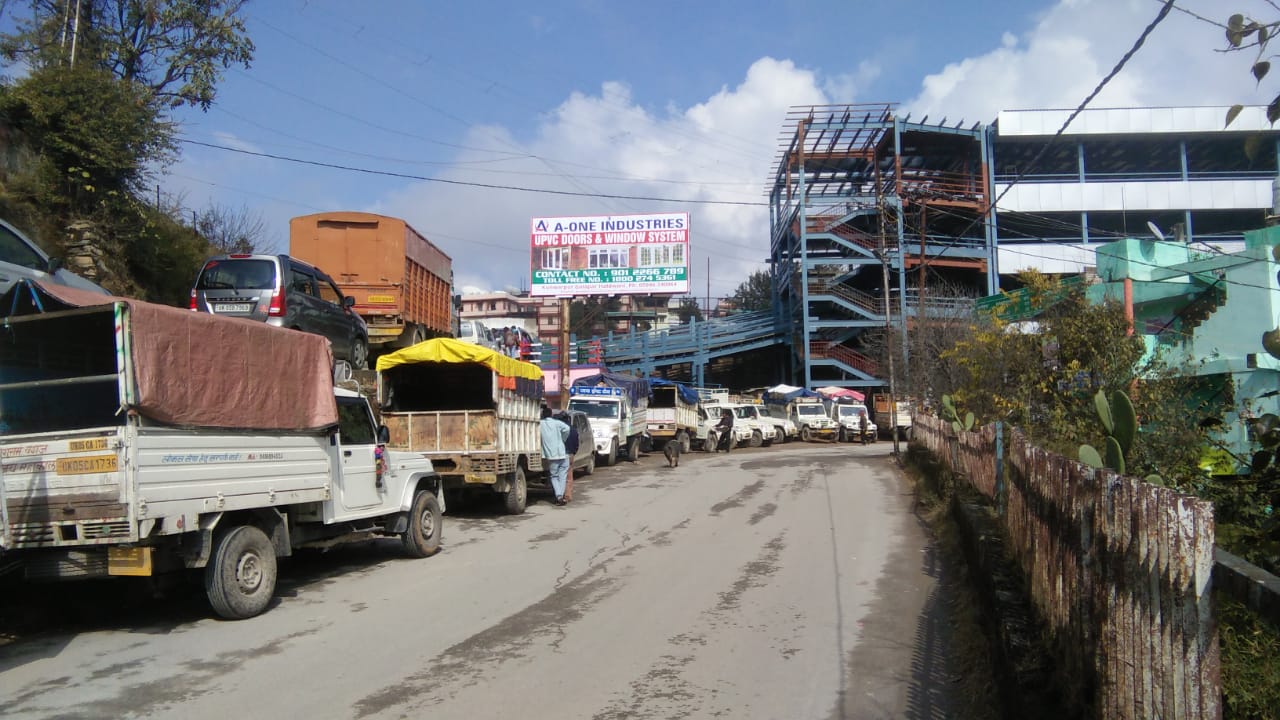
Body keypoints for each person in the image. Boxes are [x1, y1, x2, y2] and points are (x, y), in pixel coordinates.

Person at [540, 406, 572, 505]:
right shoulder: (557, 423)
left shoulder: (540, 424)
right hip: (562, 453)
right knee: (562, 476)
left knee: (554, 476)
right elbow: (567, 428)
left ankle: (558, 496)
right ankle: (561, 496)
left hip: (551, 455)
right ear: (551, 415)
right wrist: (563, 439)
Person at [555, 410, 579, 502]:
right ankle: (567, 495)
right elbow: (576, 444)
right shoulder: (573, 429)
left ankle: (559, 495)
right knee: (569, 476)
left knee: (557, 475)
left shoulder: (559, 429)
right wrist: (573, 452)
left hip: (558, 454)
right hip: (570, 454)